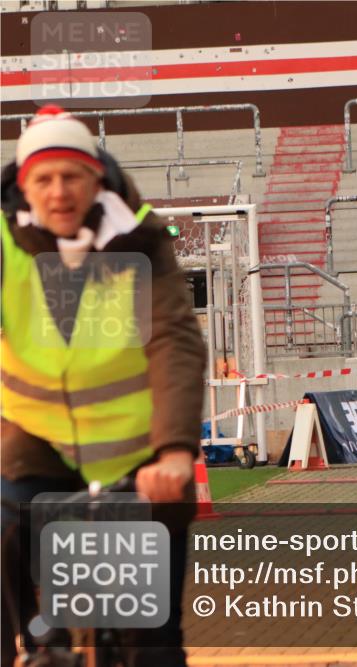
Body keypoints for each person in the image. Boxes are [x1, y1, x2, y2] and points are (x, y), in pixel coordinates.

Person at [1, 105, 206, 667]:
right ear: (24, 187)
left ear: (97, 178)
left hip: (135, 445)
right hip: (32, 434)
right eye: (43, 178)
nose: (59, 191)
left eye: (72, 175)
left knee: (152, 636)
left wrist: (174, 450)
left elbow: (173, 339)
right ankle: (36, 646)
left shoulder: (137, 236)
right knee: (8, 529)